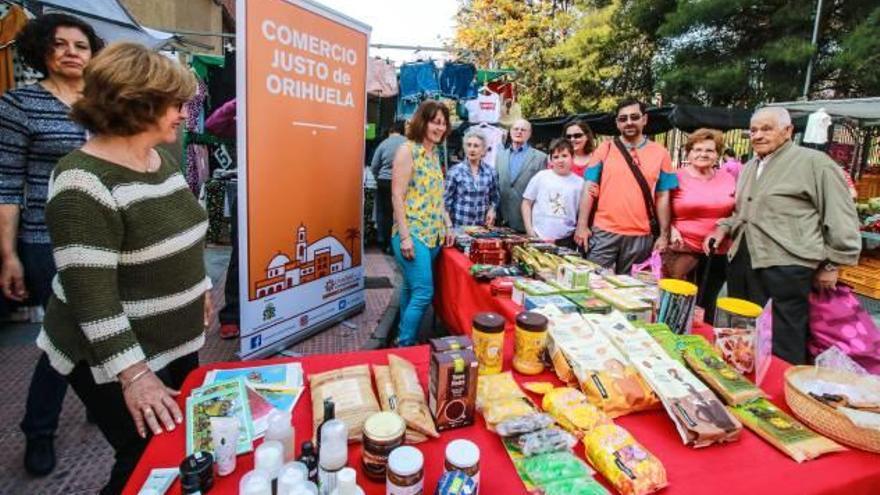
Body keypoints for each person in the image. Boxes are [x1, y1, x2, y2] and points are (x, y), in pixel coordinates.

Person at [38, 42, 209, 494]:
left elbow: (183, 232)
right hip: (111, 355)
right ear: (138, 103)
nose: (183, 113)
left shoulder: (161, 158)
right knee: (143, 458)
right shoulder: (81, 182)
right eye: (175, 104)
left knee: (181, 442)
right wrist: (134, 376)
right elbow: (91, 296)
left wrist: (202, 285)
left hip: (169, 338)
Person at [0, 13, 103, 476]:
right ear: (42, 50)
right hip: (46, 237)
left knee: (102, 325)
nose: (70, 52)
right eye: (59, 44)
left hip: (104, 234)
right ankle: (39, 430)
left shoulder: (105, 102)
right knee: (66, 333)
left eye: (80, 45)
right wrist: (8, 254)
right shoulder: (19, 104)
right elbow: (6, 184)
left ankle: (100, 407)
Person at [704, 107, 861, 364]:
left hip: (787, 262)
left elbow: (840, 215)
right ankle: (742, 379)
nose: (758, 135)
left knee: (782, 337)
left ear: (787, 131)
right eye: (754, 130)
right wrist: (723, 227)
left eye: (767, 129)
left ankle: (780, 391)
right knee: (742, 330)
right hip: (745, 258)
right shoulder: (751, 165)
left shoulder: (814, 163)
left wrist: (833, 263)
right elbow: (743, 213)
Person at [574, 98, 678, 274]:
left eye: (634, 117)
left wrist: (664, 235)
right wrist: (582, 226)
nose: (629, 122)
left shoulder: (661, 153)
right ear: (617, 123)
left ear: (644, 119)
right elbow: (588, 188)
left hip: (641, 235)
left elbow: (663, 196)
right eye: (623, 119)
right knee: (594, 284)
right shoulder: (604, 149)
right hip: (604, 232)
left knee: (632, 290)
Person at [391, 100, 454, 346]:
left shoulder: (434, 154)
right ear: (422, 122)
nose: (439, 128)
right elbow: (397, 195)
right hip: (413, 233)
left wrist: (447, 224)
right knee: (424, 292)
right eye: (434, 122)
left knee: (410, 288)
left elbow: (437, 197)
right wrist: (405, 236)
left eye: (443, 123)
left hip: (433, 236)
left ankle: (400, 337)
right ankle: (405, 344)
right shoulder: (408, 150)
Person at [665, 129, 736, 323]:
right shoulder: (675, 177)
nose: (703, 154)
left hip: (717, 252)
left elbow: (737, 211)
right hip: (683, 250)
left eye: (709, 150)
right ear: (688, 152)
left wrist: (723, 229)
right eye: (697, 149)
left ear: (717, 154)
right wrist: (670, 229)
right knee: (677, 303)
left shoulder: (728, 178)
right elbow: (660, 209)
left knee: (706, 306)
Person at [204, 98, 240, 339]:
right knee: (241, 255)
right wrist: (242, 101)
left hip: (290, 192)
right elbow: (213, 124)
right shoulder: (250, 115)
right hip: (252, 194)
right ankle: (233, 315)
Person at [521, 138, 584, 248]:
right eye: (556, 157)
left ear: (572, 157)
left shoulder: (580, 183)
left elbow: (581, 212)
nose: (560, 160)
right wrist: (529, 230)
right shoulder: (542, 177)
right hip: (538, 237)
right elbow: (526, 203)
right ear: (550, 160)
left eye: (564, 156)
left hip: (566, 240)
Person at [495, 119, 548, 233]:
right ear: (510, 132)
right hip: (501, 221)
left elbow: (542, 193)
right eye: (516, 129)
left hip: (526, 223)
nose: (519, 132)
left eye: (523, 130)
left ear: (529, 134)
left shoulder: (540, 158)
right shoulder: (500, 156)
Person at [444, 128, 499, 228]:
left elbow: (495, 197)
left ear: (483, 150)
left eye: (476, 146)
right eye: (469, 145)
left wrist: (492, 210)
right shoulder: (455, 172)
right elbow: (445, 203)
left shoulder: (491, 172)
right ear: (464, 148)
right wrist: (449, 226)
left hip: (482, 230)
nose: (472, 149)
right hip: (460, 228)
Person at [371, 119, 407, 252]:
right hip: (402, 182)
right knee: (399, 212)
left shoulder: (383, 144)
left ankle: (385, 243)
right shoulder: (407, 143)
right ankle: (397, 242)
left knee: (384, 213)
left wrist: (378, 177)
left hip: (384, 182)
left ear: (390, 131)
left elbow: (374, 166)